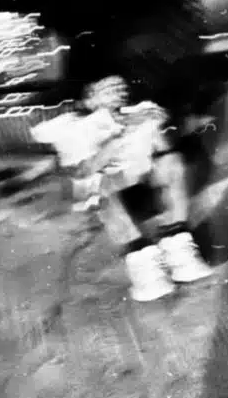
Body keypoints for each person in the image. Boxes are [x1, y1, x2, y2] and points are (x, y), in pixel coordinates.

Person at [32, 74, 214, 302]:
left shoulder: (140, 112)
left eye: (120, 87)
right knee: (100, 184)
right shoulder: (79, 128)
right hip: (110, 201)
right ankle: (144, 264)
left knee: (172, 161)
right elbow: (83, 172)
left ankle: (178, 246)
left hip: (145, 189)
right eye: (108, 89)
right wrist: (119, 137)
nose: (118, 92)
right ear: (91, 99)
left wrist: (156, 128)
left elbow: (165, 153)